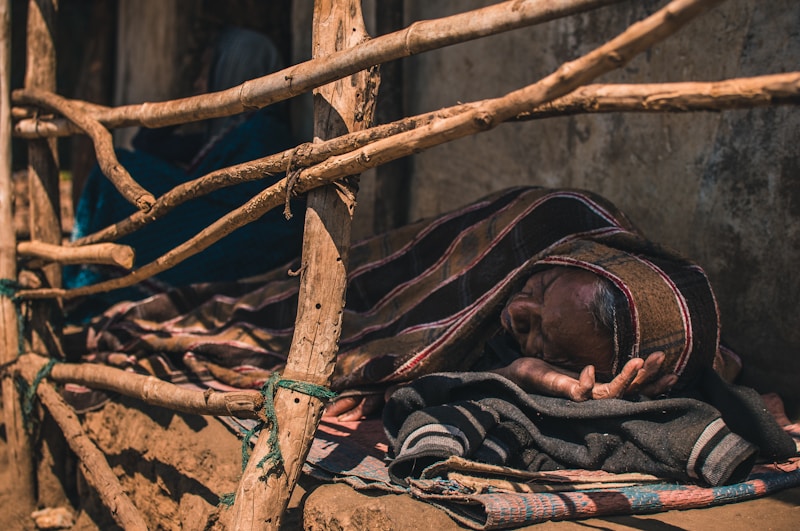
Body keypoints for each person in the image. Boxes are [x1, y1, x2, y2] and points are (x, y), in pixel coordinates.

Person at [63, 186, 732, 418]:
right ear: (575, 260)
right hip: (373, 288)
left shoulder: (624, 338)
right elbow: (409, 285)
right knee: (253, 311)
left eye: (542, 342)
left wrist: (522, 372)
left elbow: (456, 368)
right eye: (536, 292)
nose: (516, 318)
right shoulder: (556, 219)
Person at [63, 27, 305, 322]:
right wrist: (190, 104)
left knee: (118, 175)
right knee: (125, 165)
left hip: (244, 246)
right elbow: (147, 144)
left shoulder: (261, 133)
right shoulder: (225, 135)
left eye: (210, 72)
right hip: (228, 233)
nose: (202, 83)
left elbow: (223, 198)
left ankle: (88, 284)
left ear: (235, 68)